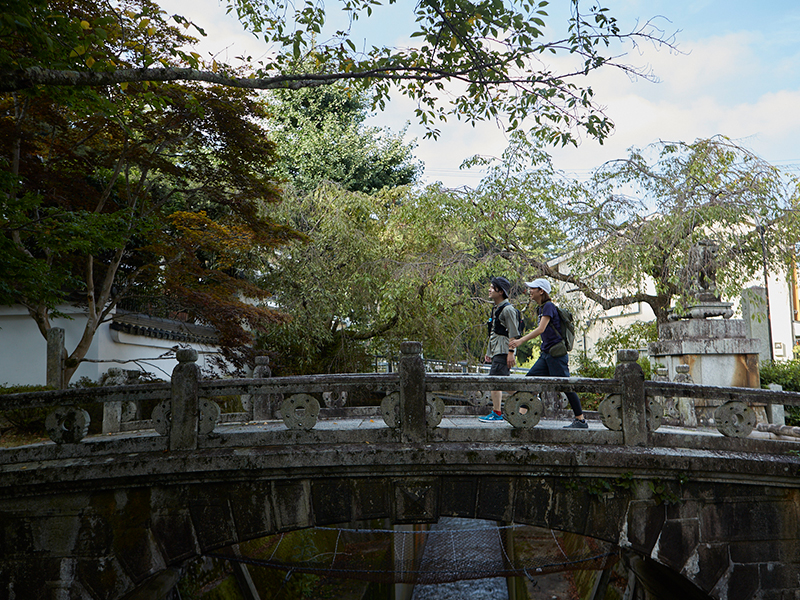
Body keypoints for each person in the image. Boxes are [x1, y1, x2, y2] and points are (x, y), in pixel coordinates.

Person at [509, 278, 588, 429]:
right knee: (529, 382)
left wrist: (520, 341)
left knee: (566, 386)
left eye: (533, 288)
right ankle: (521, 417)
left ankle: (581, 420)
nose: (530, 291)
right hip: (546, 355)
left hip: (556, 355)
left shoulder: (549, 306)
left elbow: (541, 329)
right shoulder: (541, 308)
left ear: (541, 291)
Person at [479, 276, 519, 422]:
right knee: (498, 380)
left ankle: (526, 395)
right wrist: (489, 353)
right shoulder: (497, 308)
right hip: (497, 350)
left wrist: (511, 353)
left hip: (503, 350)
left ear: (500, 291)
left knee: (497, 381)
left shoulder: (508, 310)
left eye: (492, 287)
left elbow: (513, 333)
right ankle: (497, 412)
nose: (489, 289)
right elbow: (494, 333)